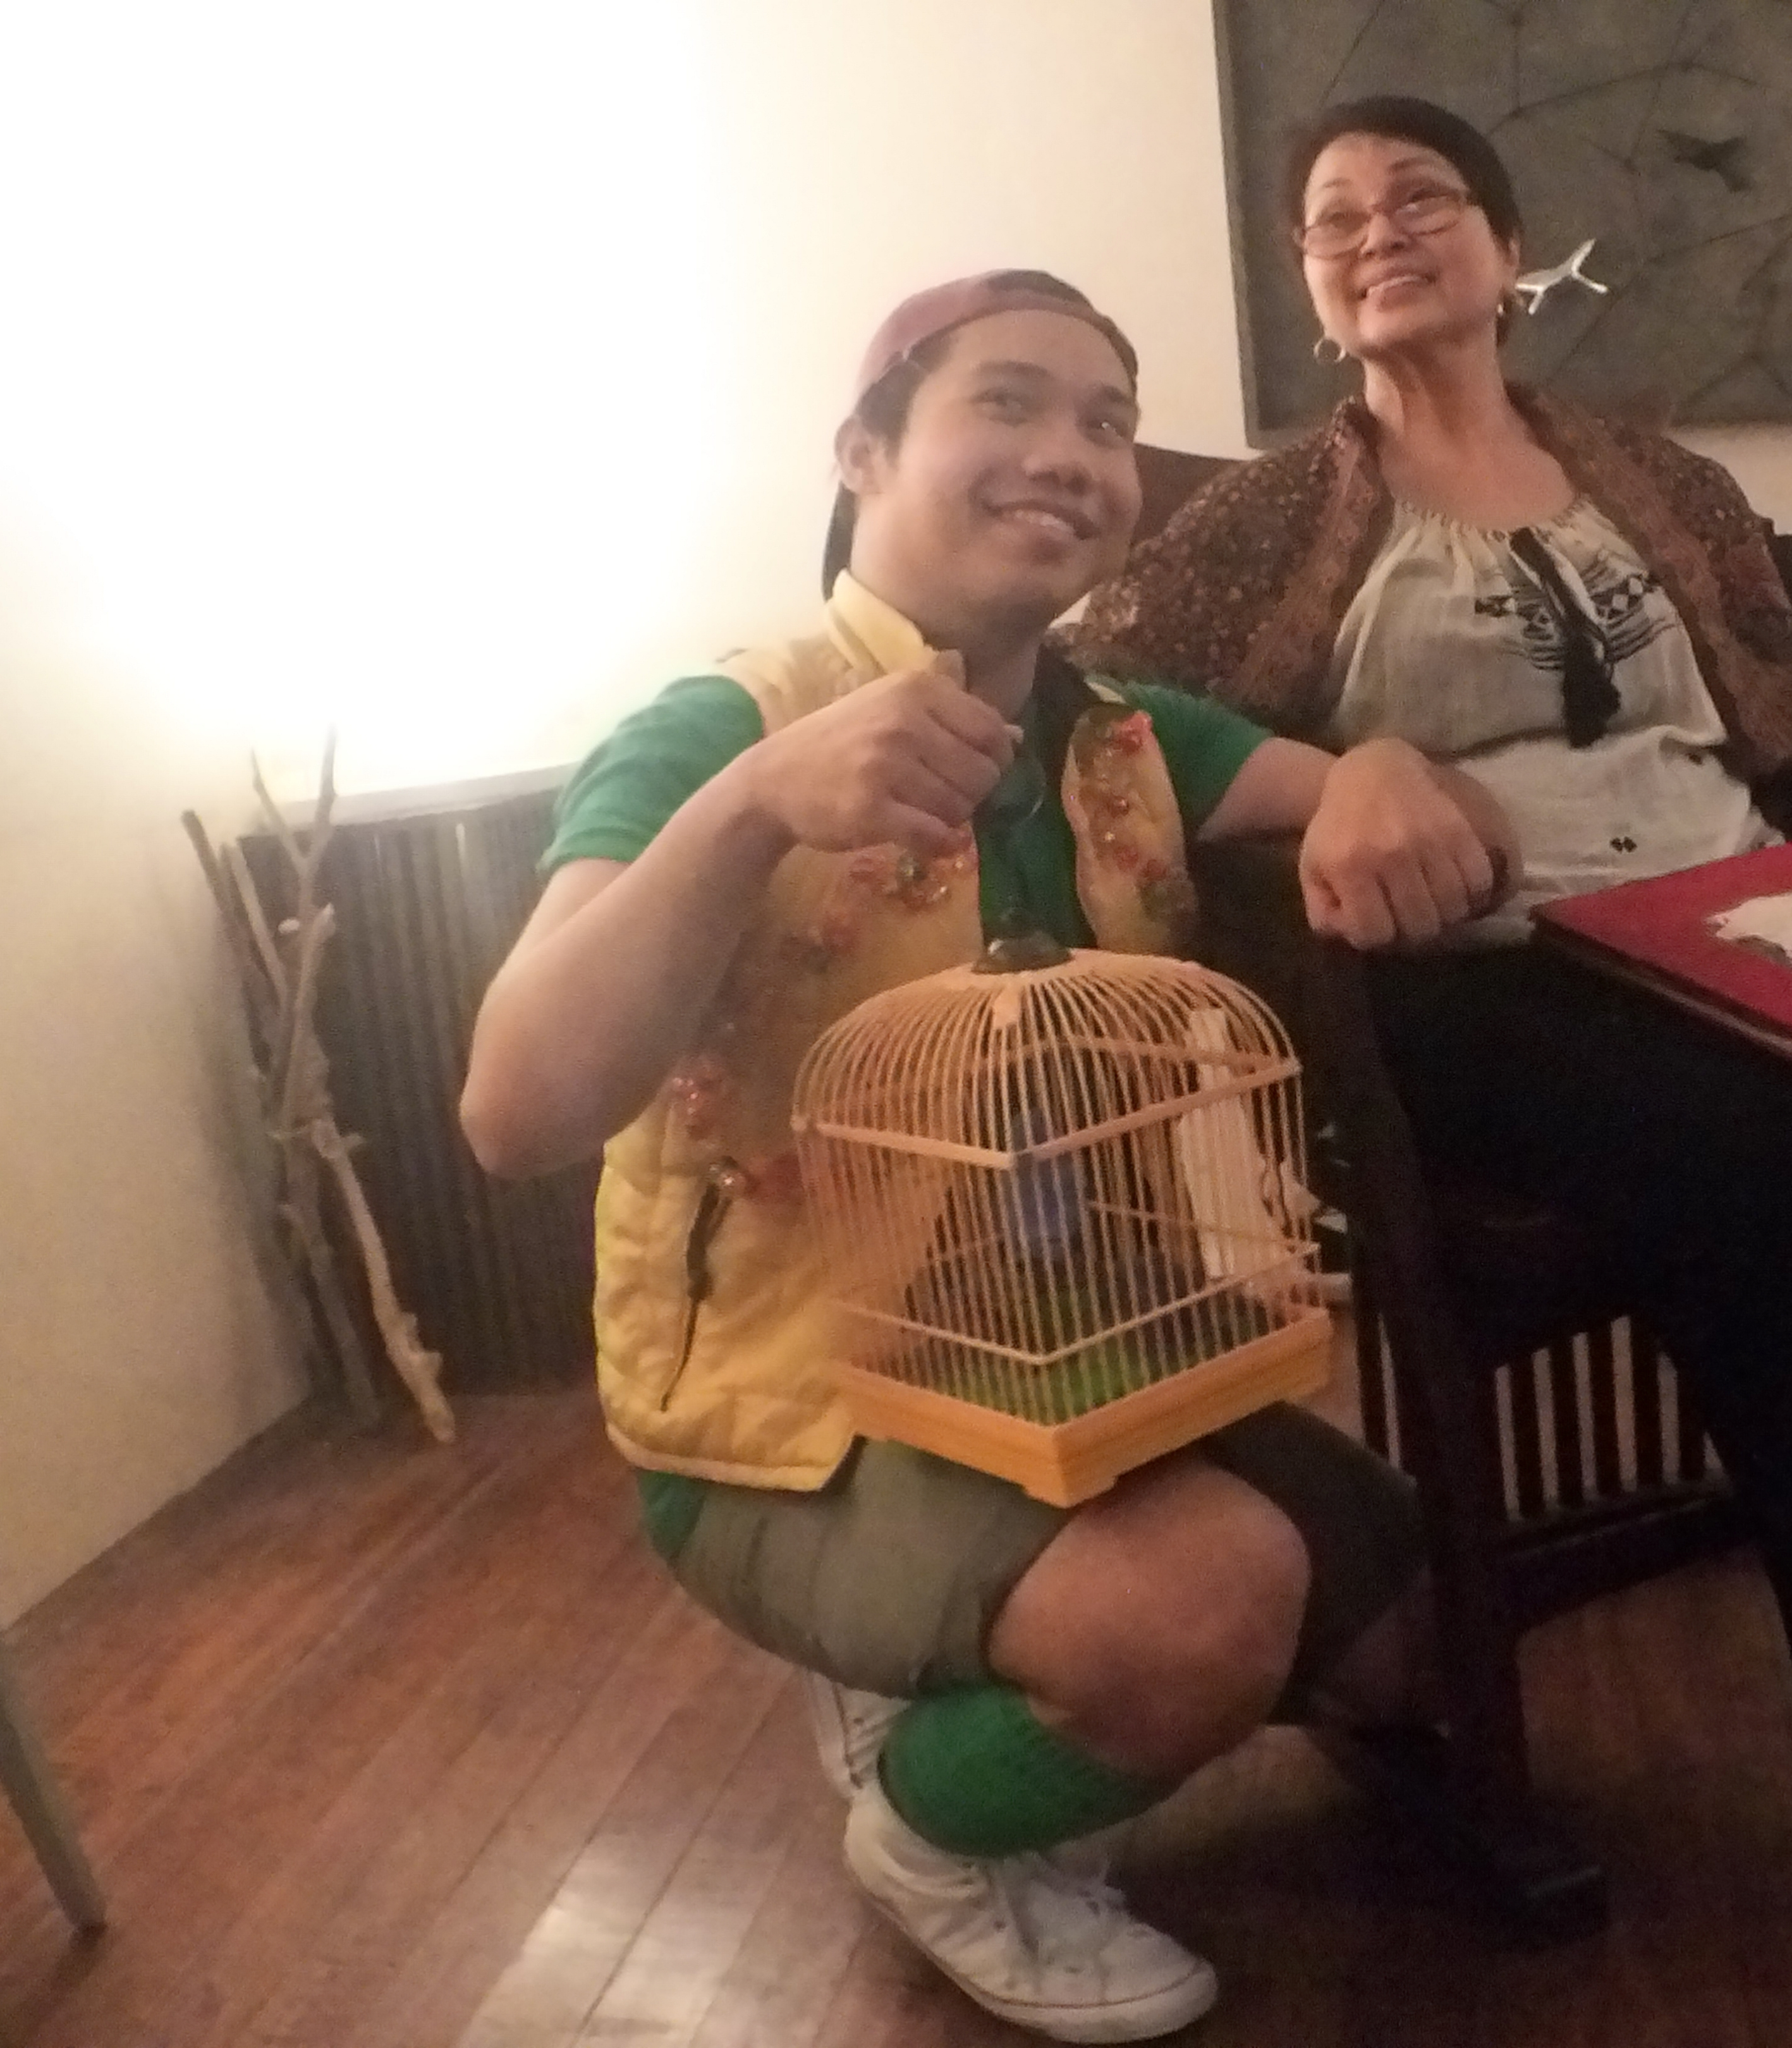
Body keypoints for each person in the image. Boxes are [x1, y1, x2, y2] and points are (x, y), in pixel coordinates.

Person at [1073, 97, 1792, 1910]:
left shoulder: (1648, 477)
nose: (1378, 230)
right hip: (1494, 975)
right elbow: (1099, 710)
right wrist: (1336, 783)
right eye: (1334, 217)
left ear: (1509, 249)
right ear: (1309, 286)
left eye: (1421, 195)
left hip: (1755, 918)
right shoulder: (1270, 516)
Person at [460, 271, 1509, 2043]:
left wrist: (1389, 760)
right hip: (799, 1411)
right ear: (864, 454)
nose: (1072, 454)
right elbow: (514, 1110)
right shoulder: (718, 727)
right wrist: (751, 810)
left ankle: (990, 1651)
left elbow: (1398, 812)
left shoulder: (1123, 738)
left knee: (1431, 1646)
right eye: (1008, 403)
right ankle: (930, 1830)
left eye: (1108, 422)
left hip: (1093, 1362)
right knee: (1209, 1609)